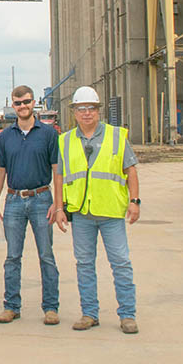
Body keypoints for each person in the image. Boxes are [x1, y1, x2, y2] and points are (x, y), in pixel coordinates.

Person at [58, 85, 141, 334]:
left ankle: (127, 315)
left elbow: (131, 171)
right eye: (81, 109)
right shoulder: (65, 140)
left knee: (121, 263)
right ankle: (89, 314)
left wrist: (134, 202)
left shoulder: (116, 136)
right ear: (74, 112)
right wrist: (59, 207)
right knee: (84, 264)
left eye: (91, 108)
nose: (86, 113)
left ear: (98, 111)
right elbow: (61, 177)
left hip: (111, 212)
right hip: (82, 213)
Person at [0, 84, 64, 326]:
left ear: (34, 104)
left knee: (46, 255)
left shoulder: (49, 134)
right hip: (14, 201)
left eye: (27, 102)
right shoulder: (4, 138)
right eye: (18, 103)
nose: (23, 106)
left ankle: (51, 308)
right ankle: (11, 306)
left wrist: (59, 204)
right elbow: (0, 173)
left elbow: (57, 171)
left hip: (42, 200)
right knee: (12, 256)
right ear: (13, 105)